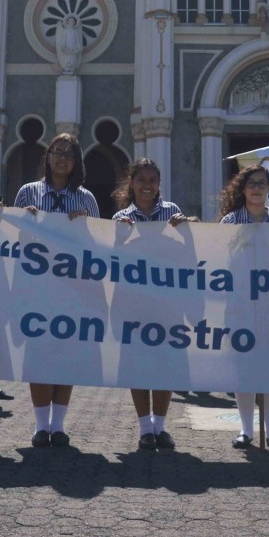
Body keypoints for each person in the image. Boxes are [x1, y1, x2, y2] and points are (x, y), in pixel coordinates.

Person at [14, 133, 99, 448]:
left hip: (72, 288)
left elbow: (95, 248)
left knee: (66, 352)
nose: (62, 158)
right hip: (37, 286)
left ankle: (58, 425)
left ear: (77, 162)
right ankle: (40, 426)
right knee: (39, 353)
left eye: (69, 154)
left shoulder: (86, 199)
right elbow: (14, 240)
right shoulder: (28, 193)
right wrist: (28, 225)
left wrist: (85, 226)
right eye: (57, 152)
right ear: (47, 156)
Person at [112, 158, 191, 452]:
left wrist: (187, 228)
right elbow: (111, 259)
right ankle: (145, 428)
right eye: (141, 180)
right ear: (132, 183)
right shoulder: (122, 217)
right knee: (136, 363)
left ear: (160, 184)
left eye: (152, 180)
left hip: (167, 301)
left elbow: (188, 251)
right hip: (133, 301)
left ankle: (160, 426)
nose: (147, 185)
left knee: (165, 363)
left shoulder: (172, 213)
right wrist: (119, 237)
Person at [218, 163, 269, 452]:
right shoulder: (230, 222)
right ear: (243, 188)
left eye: (262, 183)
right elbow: (222, 260)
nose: (257, 188)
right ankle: (246, 429)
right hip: (239, 302)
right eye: (252, 183)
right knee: (243, 365)